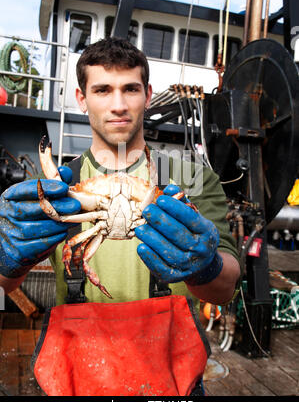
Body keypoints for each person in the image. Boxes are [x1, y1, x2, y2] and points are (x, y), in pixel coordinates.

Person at [0, 37, 241, 309]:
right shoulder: (52, 191)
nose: (118, 105)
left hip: (171, 349)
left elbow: (225, 292)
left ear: (147, 95)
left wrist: (206, 268)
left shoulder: (193, 181)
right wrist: (7, 262)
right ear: (82, 99)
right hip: (76, 347)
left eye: (130, 89)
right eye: (102, 90)